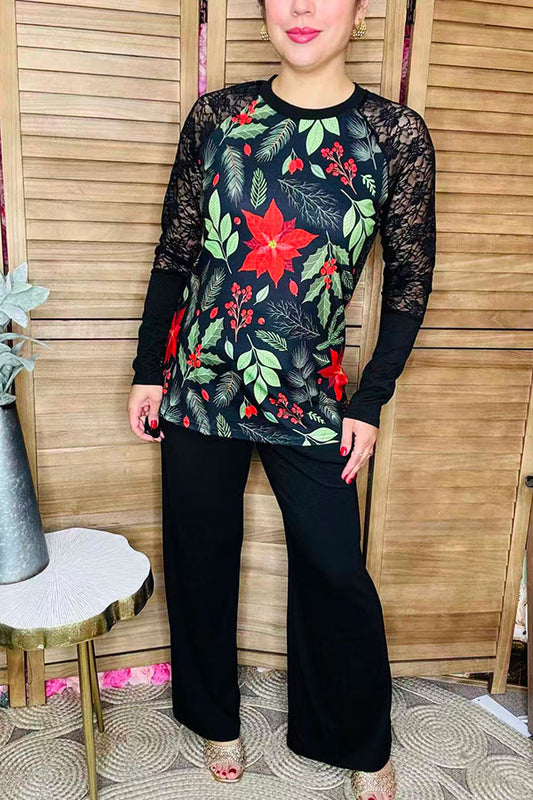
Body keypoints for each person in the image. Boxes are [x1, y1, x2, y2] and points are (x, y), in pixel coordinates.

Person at [127, 0, 436, 797]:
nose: (300, 9)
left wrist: (369, 400)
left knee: (335, 568)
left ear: (360, 12)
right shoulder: (218, 118)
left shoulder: (391, 135)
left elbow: (409, 281)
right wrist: (148, 368)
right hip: (202, 384)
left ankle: (357, 739)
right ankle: (214, 719)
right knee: (199, 558)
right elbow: (177, 250)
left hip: (311, 393)